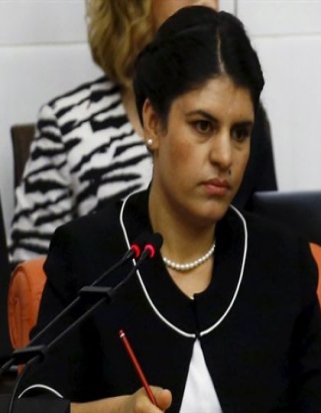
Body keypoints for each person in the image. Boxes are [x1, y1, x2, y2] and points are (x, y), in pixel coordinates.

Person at [18, 7, 321, 413]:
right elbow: (32, 404)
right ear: (153, 123)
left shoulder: (283, 262)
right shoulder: (89, 256)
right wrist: (115, 411)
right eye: (203, 126)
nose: (225, 156)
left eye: (240, 133)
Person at [8, 0, 277, 264]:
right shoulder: (68, 126)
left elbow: (265, 248)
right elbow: (33, 276)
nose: (206, 2)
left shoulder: (241, 118)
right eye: (203, 126)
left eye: (239, 133)